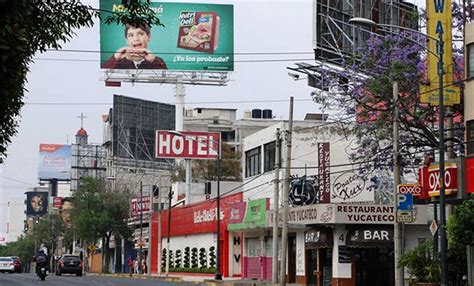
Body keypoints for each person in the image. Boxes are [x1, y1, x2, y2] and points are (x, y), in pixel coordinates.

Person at [102, 24, 167, 70]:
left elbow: (166, 81)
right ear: (126, 40)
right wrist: (115, 57)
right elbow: (101, 77)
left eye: (140, 34)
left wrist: (153, 60)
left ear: (148, 37)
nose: (136, 39)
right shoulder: (118, 62)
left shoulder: (156, 61)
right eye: (131, 35)